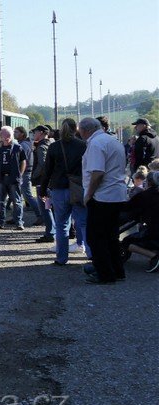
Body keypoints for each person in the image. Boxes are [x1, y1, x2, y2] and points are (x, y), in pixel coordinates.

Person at [79, 116, 129, 284]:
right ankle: (117, 270)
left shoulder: (96, 144)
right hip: (117, 194)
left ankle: (105, 274)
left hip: (102, 196)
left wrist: (88, 194)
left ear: (85, 130)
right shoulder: (112, 140)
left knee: (95, 237)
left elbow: (97, 173)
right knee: (111, 236)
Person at [43, 118, 89, 264]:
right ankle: (91, 254)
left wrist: (43, 189)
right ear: (76, 129)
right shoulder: (83, 146)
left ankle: (61, 258)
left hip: (58, 188)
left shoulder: (54, 147)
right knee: (83, 222)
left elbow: (47, 170)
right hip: (78, 188)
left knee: (62, 224)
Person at [0, 127, 25, 230]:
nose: (7, 138)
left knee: (17, 201)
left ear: (12, 136)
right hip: (0, 179)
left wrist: (20, 174)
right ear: (0, 137)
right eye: (4, 135)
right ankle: (0, 222)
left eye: (8, 135)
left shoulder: (17, 147)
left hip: (13, 178)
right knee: (0, 202)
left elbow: (23, 161)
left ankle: (19, 222)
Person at [123, 171, 159, 273]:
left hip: (155, 232)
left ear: (149, 182)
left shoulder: (145, 195)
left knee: (126, 242)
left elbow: (127, 207)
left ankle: (155, 256)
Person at [30, 125, 55, 244]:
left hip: (42, 182)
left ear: (41, 132)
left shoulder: (41, 147)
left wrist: (34, 175)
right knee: (49, 208)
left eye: (35, 132)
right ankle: (51, 231)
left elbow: (42, 164)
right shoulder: (51, 144)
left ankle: (50, 233)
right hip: (49, 181)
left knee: (45, 209)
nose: (34, 134)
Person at [13, 126, 40, 227]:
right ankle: (16, 216)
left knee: (27, 195)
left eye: (16, 132)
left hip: (24, 172)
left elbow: (20, 160)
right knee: (18, 195)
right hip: (25, 172)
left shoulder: (23, 145)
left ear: (22, 134)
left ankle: (40, 214)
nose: (14, 133)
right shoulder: (25, 144)